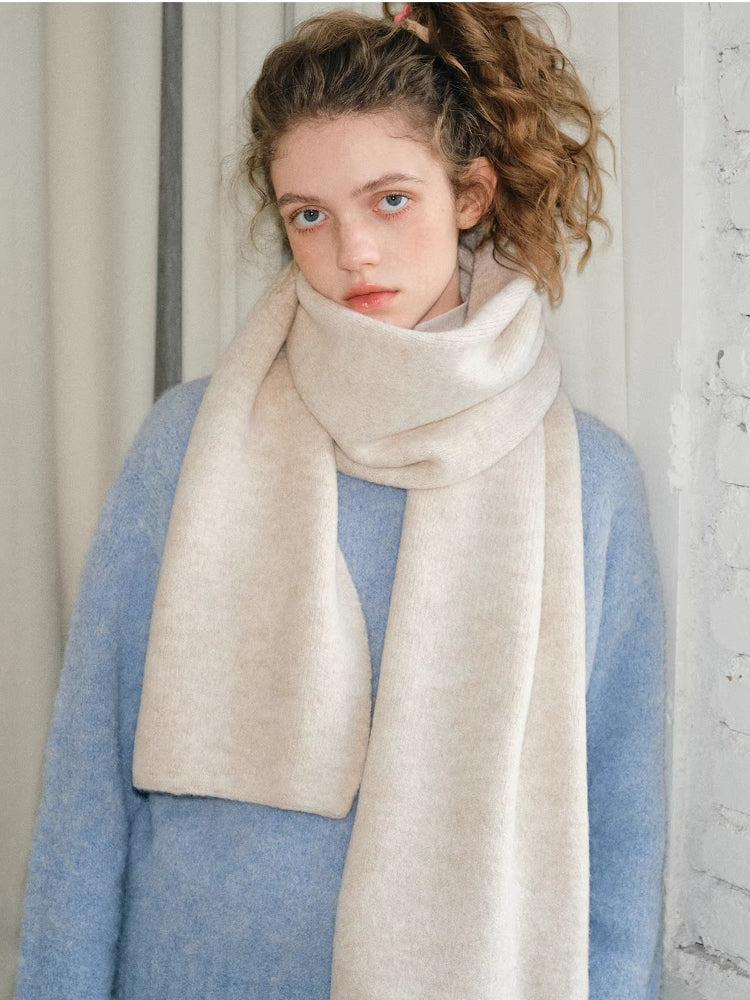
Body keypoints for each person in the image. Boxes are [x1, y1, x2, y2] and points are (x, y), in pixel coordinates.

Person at [15, 4, 664, 999]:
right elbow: (88, 780)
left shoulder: (588, 481)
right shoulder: (191, 439)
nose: (352, 249)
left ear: (470, 194)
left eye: (389, 199)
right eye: (308, 214)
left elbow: (618, 833)